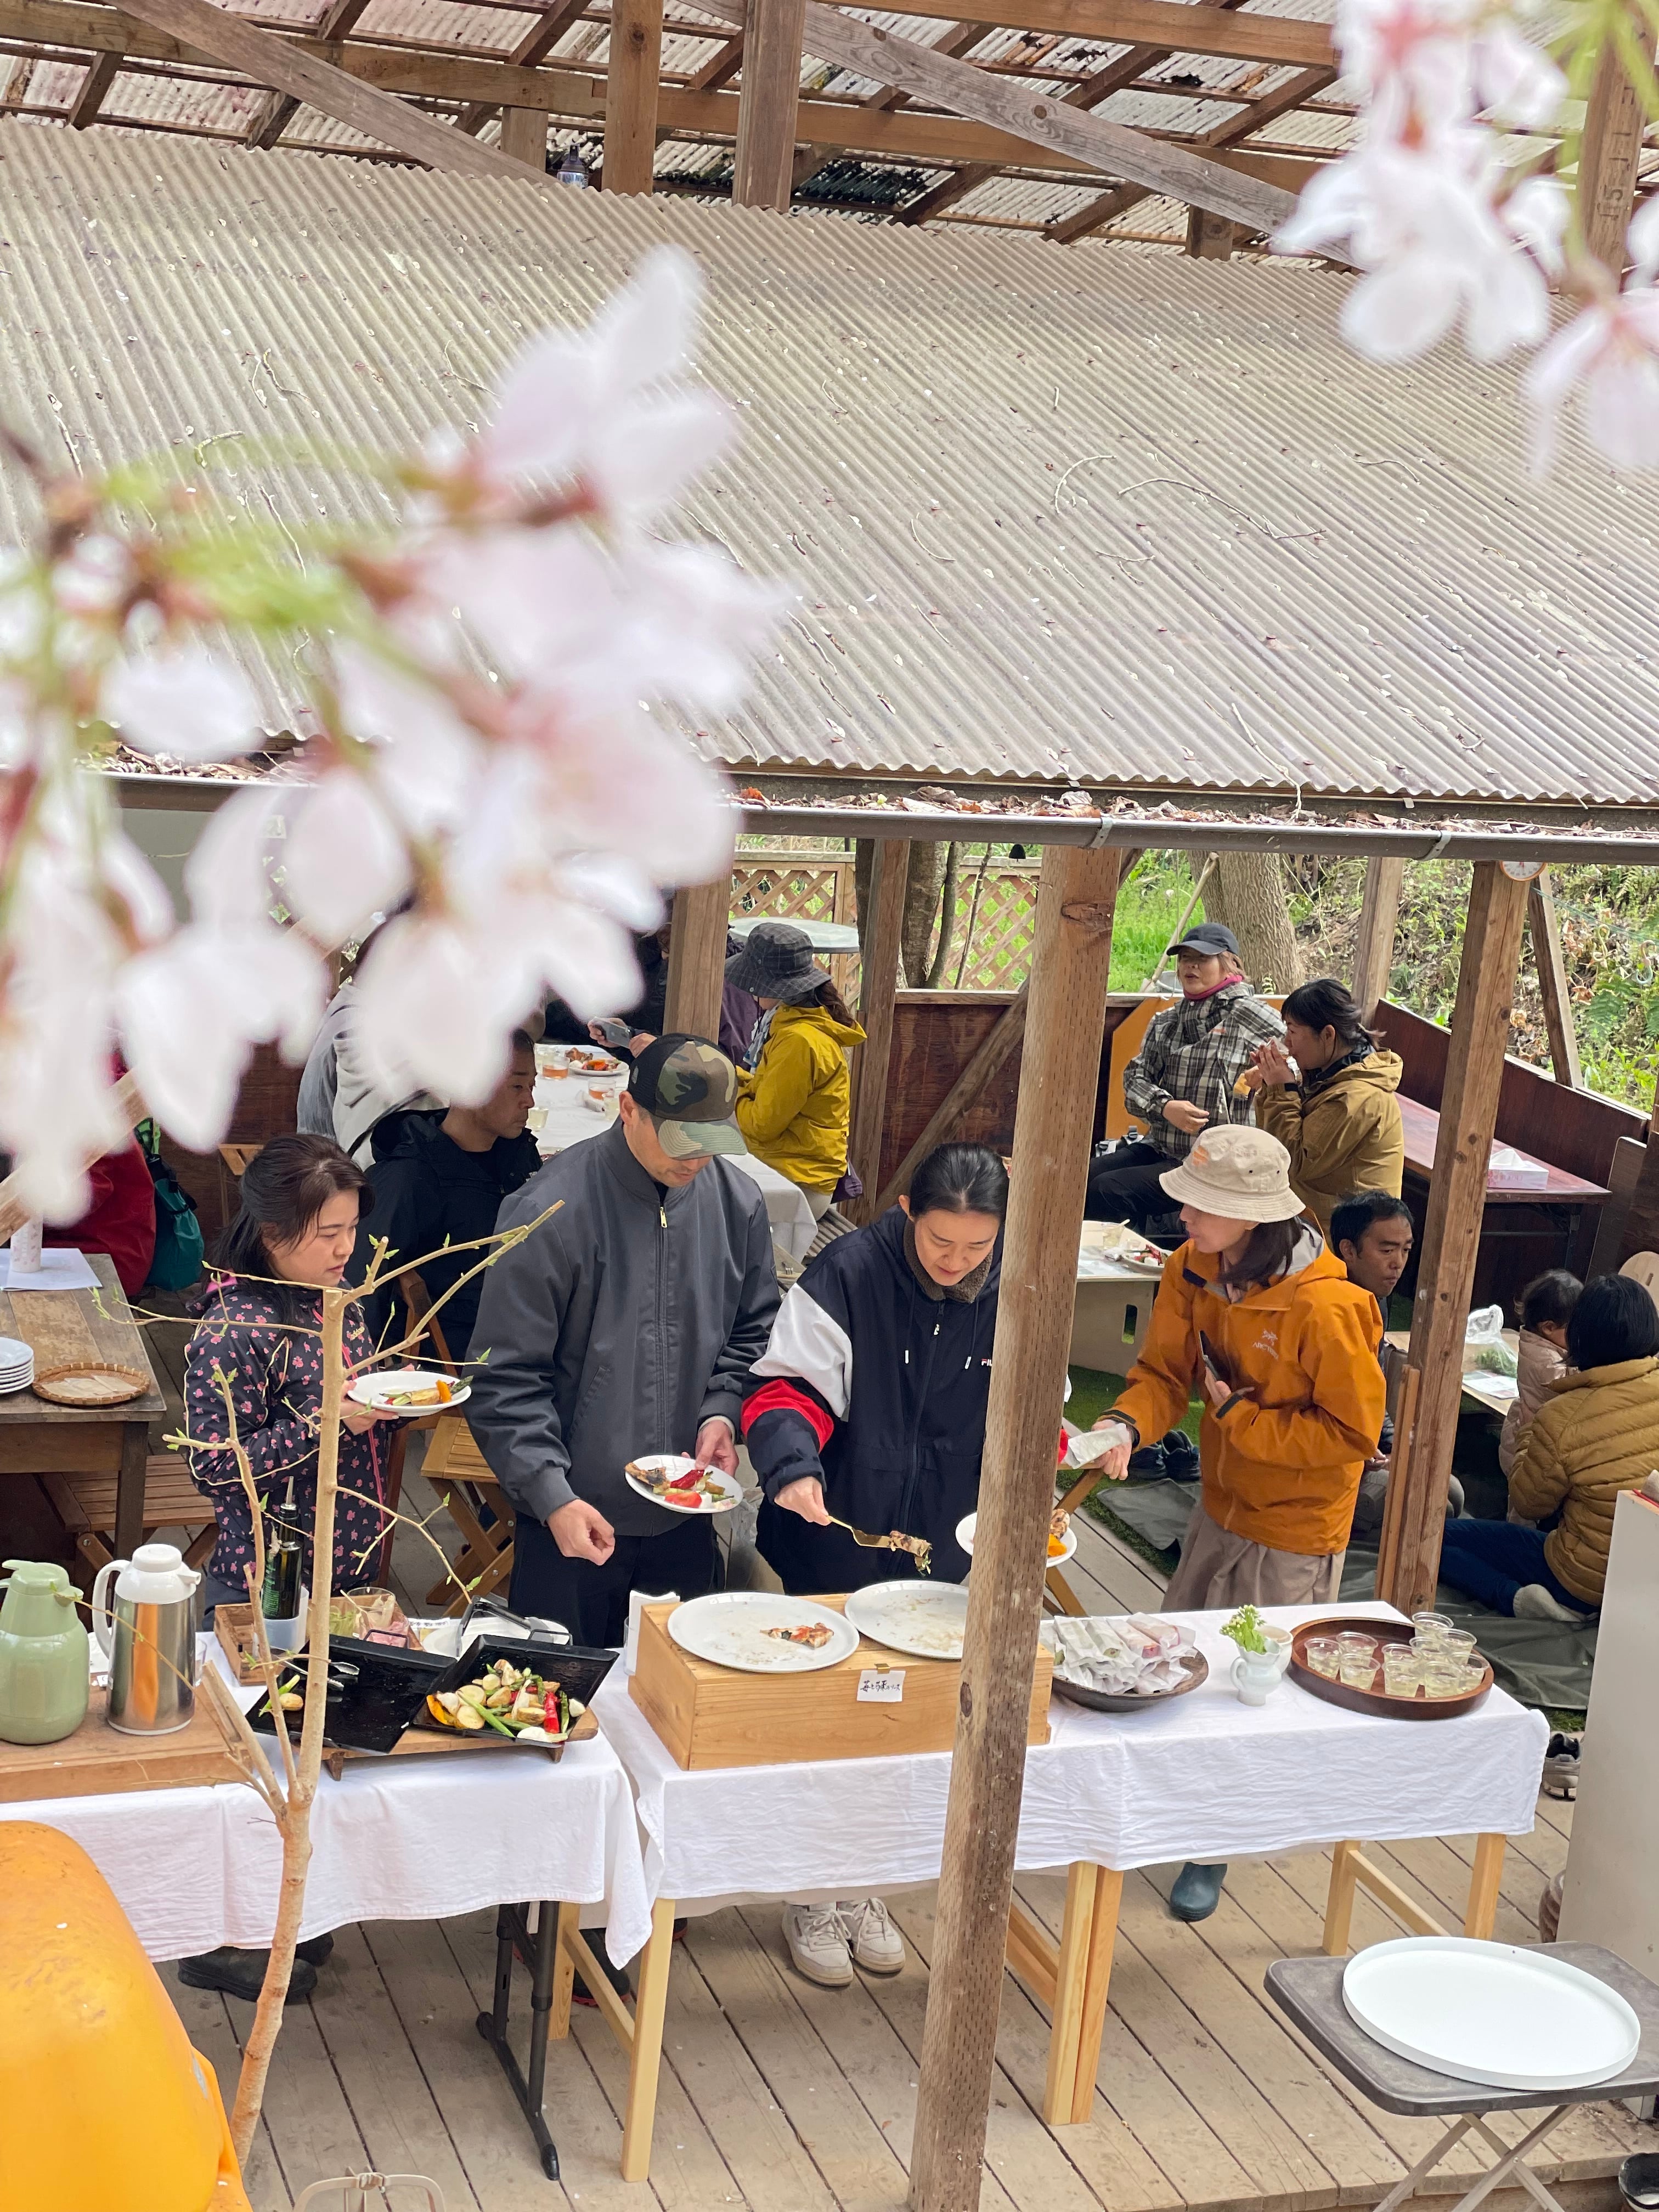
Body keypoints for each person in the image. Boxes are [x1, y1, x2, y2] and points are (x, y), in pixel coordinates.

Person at [1088, 1124, 1385, 1924]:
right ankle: (1163, 1803)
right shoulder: (1190, 1265)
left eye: (1202, 1207)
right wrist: (1124, 1425)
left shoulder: (1328, 1306)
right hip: (1219, 1502)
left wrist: (1240, 1422)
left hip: (1296, 1525)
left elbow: (1354, 1436)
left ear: (1256, 1218)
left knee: (1249, 1686)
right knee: (1176, 1657)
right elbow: (1162, 1372)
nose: (1184, 1217)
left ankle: (1213, 1842)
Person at [740, 1142, 1006, 1989]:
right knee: (830, 1717)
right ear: (906, 1213)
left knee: (908, 1720)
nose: (957, 1262)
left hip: (942, 1540)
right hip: (839, 1531)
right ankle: (810, 1893)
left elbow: (1028, 1401)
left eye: (977, 1246)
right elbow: (788, 1389)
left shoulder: (1014, 1285)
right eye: (941, 1242)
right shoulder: (851, 1272)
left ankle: (865, 1884)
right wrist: (793, 1466)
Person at [466, 1035, 780, 1646]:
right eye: (681, 1141)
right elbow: (504, 1377)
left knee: (671, 1689)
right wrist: (551, 1494)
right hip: (571, 1513)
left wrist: (723, 1411)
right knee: (558, 1690)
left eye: (710, 1143)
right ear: (629, 1109)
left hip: (687, 1511)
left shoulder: (736, 1203)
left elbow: (754, 1331)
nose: (695, 1161)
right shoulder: (549, 1210)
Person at [178, 1133, 397, 2005]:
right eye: (328, 1233)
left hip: (342, 1565)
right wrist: (329, 1419)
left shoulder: (337, 1303)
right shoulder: (235, 1328)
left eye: (351, 1229)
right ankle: (221, 1940)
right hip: (261, 1577)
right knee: (253, 1766)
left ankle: (294, 1916)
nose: (346, 1248)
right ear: (273, 1234)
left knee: (315, 1747)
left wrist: (371, 1400)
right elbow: (212, 1467)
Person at [1439, 1273, 1659, 1621]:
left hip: (1584, 1583)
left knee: (1434, 1539)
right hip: (1646, 1584)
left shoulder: (1564, 1414)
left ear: (1580, 1335)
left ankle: (1517, 1599)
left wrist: (1531, 1428)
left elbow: (1530, 1502)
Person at [353, 1033, 541, 1362]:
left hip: (527, 1322)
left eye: (532, 1086)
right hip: (460, 1356)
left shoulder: (517, 1156)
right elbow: (360, 1289)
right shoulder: (406, 1178)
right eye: (516, 1086)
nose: (529, 1101)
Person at [1087, 922, 1284, 1234]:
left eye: (1202, 959)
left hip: (1217, 1163)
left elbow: (1297, 1057)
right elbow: (1135, 1078)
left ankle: (1122, 1258)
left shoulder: (1250, 1014)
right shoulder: (1167, 1021)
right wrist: (1165, 1107)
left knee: (1108, 1190)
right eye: (1185, 958)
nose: (1191, 966)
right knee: (1081, 1177)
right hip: (1162, 1147)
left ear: (1229, 965)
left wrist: (1268, 1074)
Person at [723, 922, 866, 1220]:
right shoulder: (795, 1022)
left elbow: (761, 1126)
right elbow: (770, 1091)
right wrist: (729, 1074)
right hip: (792, 1170)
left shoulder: (799, 1041)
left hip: (797, 1186)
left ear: (770, 986)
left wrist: (731, 1092)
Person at [1244, 978, 1405, 1234]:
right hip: (1313, 1222)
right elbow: (1274, 1144)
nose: (1287, 1042)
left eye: (1293, 1031)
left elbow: (1293, 1160)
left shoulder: (1356, 1098)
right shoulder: (1331, 1077)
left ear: (1328, 1035)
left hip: (1346, 1240)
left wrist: (1281, 1088)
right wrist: (1271, 1085)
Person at [1499, 1268, 1581, 1486]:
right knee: (1524, 1497)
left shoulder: (1540, 1346)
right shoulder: (1546, 1361)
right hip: (1528, 1442)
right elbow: (1568, 1387)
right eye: (1574, 1329)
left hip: (1525, 1433)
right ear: (1549, 1328)